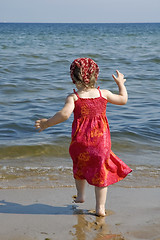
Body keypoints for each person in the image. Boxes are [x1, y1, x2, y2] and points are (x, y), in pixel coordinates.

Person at [35, 58, 132, 217]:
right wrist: (121, 83)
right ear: (96, 76)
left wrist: (46, 123)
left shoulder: (74, 97)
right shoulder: (104, 94)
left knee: (79, 166)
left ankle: (80, 195)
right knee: (101, 173)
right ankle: (100, 208)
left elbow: (64, 114)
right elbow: (123, 99)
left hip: (80, 142)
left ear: (73, 77)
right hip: (102, 143)